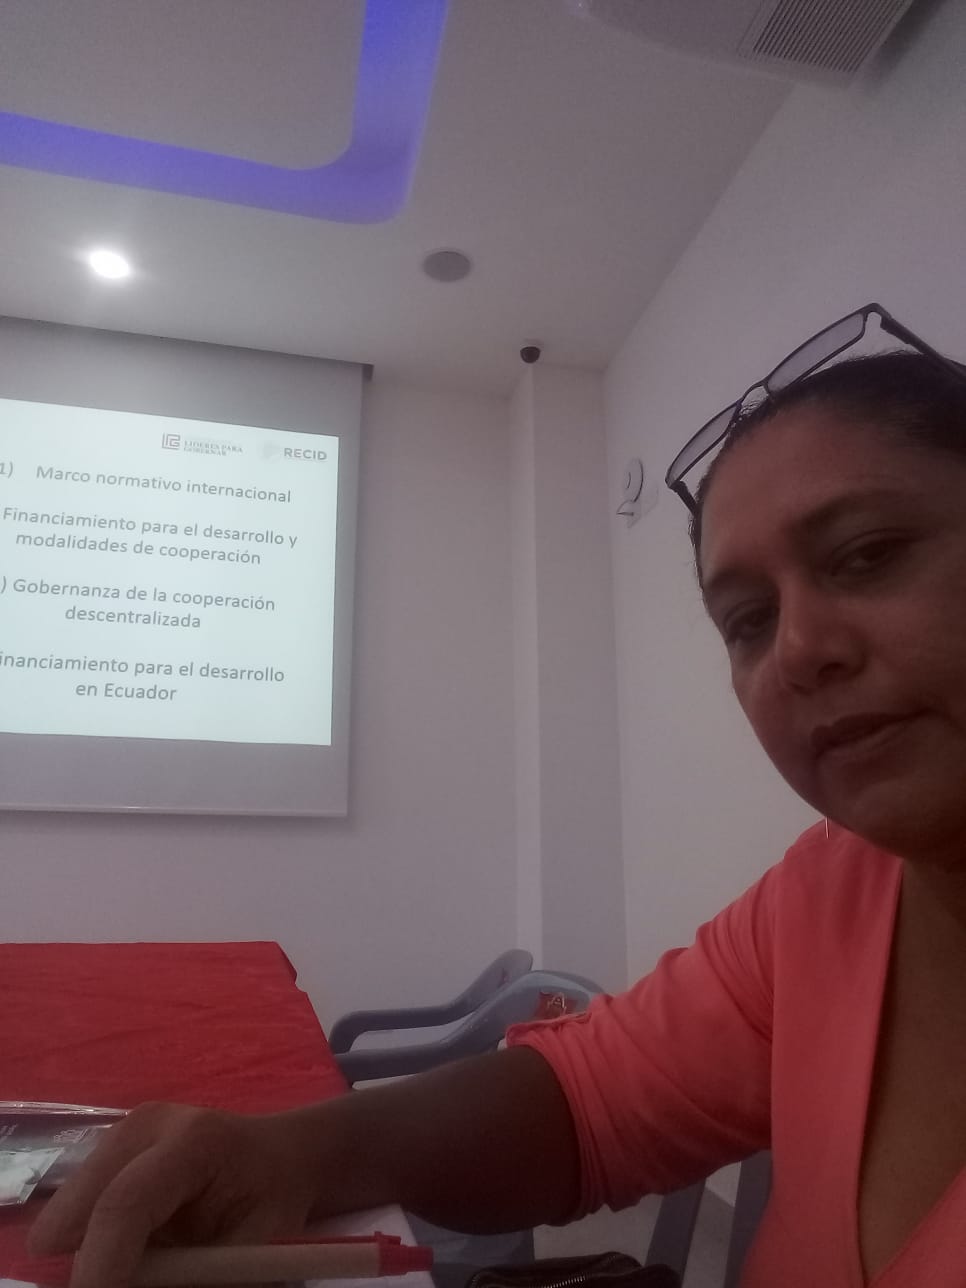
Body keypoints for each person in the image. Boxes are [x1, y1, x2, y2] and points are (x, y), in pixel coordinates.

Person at [30, 305, 966, 1288]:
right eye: (747, 620)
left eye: (869, 553)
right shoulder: (831, 892)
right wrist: (291, 1151)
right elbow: (587, 1101)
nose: (800, 651)